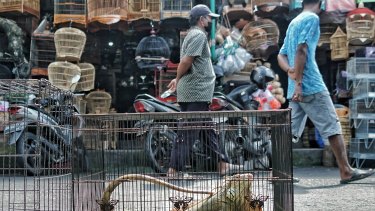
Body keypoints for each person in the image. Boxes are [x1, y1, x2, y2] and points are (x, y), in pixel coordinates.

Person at [277, 0, 374, 184]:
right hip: (310, 85)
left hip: (295, 88)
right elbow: (302, 49)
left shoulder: (294, 21)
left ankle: (280, 172)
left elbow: (281, 54)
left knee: (287, 131)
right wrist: (299, 81)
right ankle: (346, 171)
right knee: (332, 126)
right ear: (321, 4)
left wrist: (290, 71)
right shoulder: (311, 18)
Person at [166, 4, 240, 177]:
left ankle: (223, 164)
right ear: (201, 19)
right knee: (188, 130)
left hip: (198, 91)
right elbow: (186, 61)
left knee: (208, 131)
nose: (210, 21)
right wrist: (177, 79)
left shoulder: (192, 34)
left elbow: (187, 61)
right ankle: (174, 170)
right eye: (208, 18)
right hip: (196, 91)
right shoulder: (198, 35)